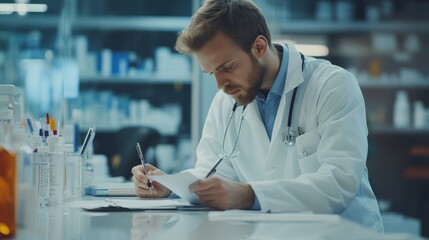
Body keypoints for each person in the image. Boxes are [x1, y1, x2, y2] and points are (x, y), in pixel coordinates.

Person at [131, 0, 383, 232]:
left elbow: (339, 183)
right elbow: (213, 175)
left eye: (226, 67)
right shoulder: (226, 101)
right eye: (211, 73)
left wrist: (250, 195)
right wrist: (171, 186)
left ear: (259, 47)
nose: (220, 85)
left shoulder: (332, 86)